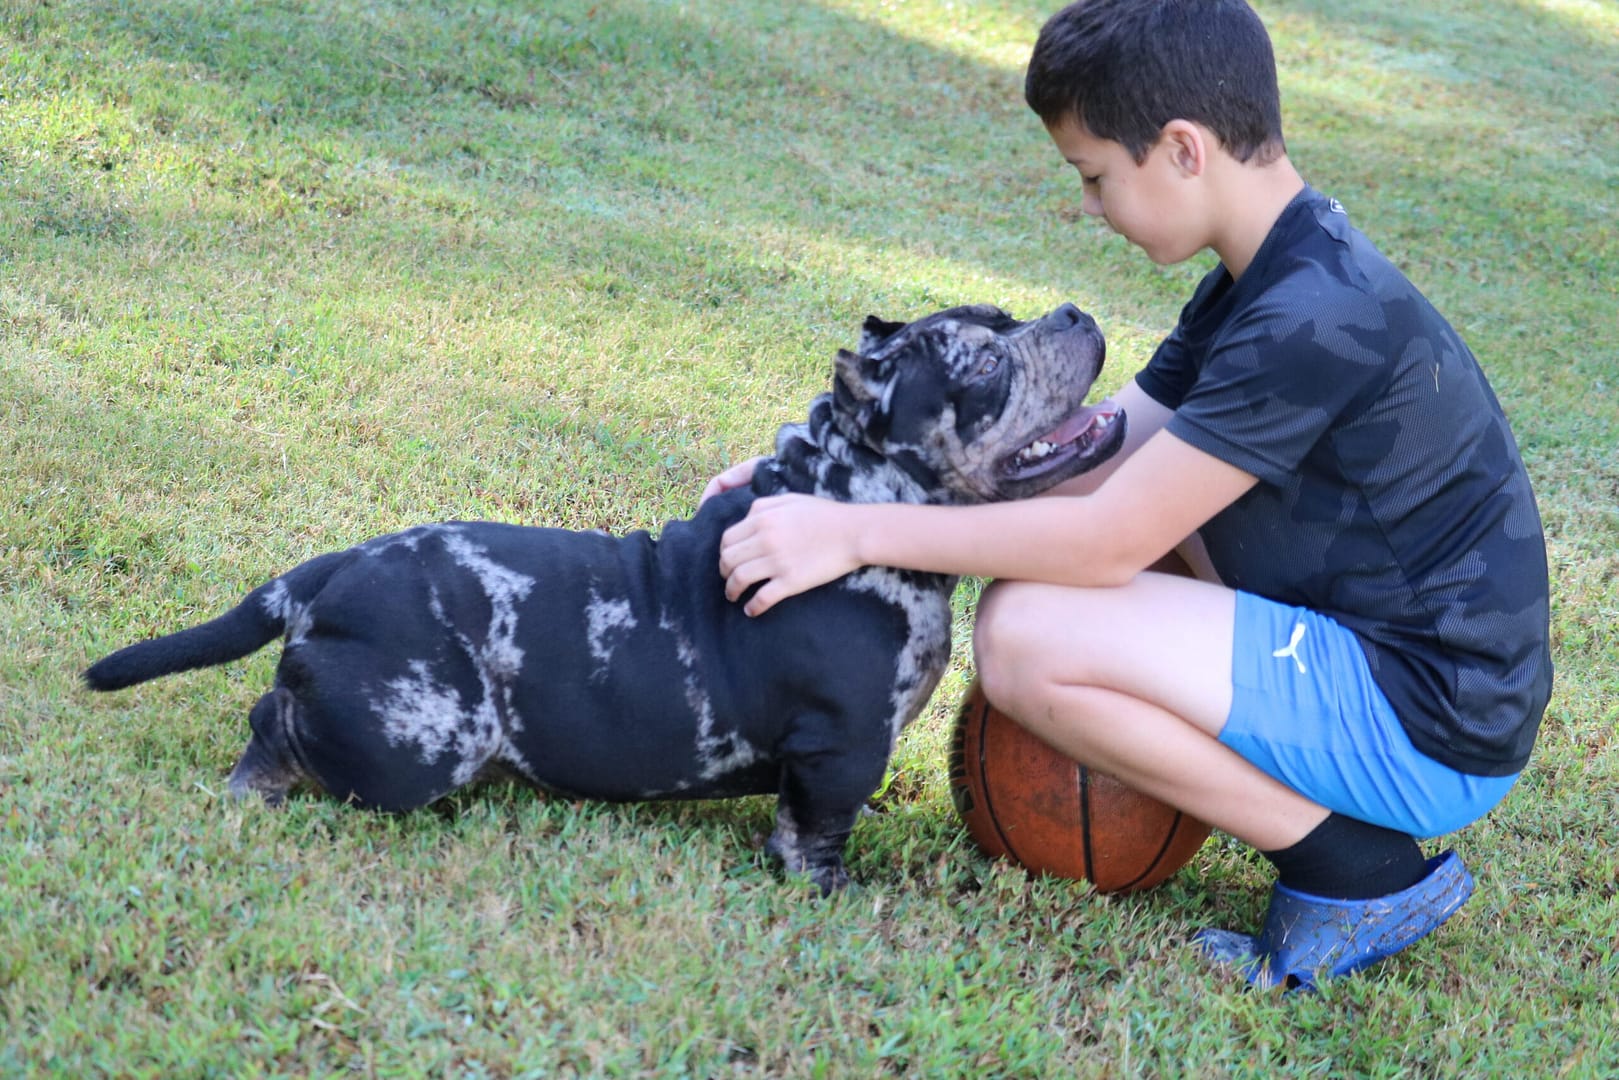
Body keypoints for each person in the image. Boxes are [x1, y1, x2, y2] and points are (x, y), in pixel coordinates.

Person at [703, 0, 1552, 991]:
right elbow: (1095, 452)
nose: (1090, 205)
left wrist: (849, 532)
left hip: (1427, 718)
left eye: (1095, 175)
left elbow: (1105, 538)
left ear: (1182, 150)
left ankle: (1353, 873)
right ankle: (1342, 849)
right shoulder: (1267, 275)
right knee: (1072, 572)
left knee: (1028, 638)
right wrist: (812, 486)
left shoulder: (1307, 320)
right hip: (1386, 658)